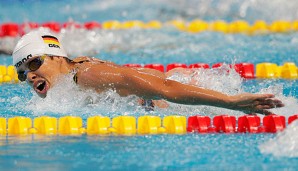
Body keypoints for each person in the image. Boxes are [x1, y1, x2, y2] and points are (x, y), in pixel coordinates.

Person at [12, 28, 284, 114]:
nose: (31, 75)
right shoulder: (72, 75)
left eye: (34, 63)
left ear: (58, 57)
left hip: (177, 96)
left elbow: (164, 88)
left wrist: (231, 103)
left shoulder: (87, 76)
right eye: (23, 73)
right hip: (172, 88)